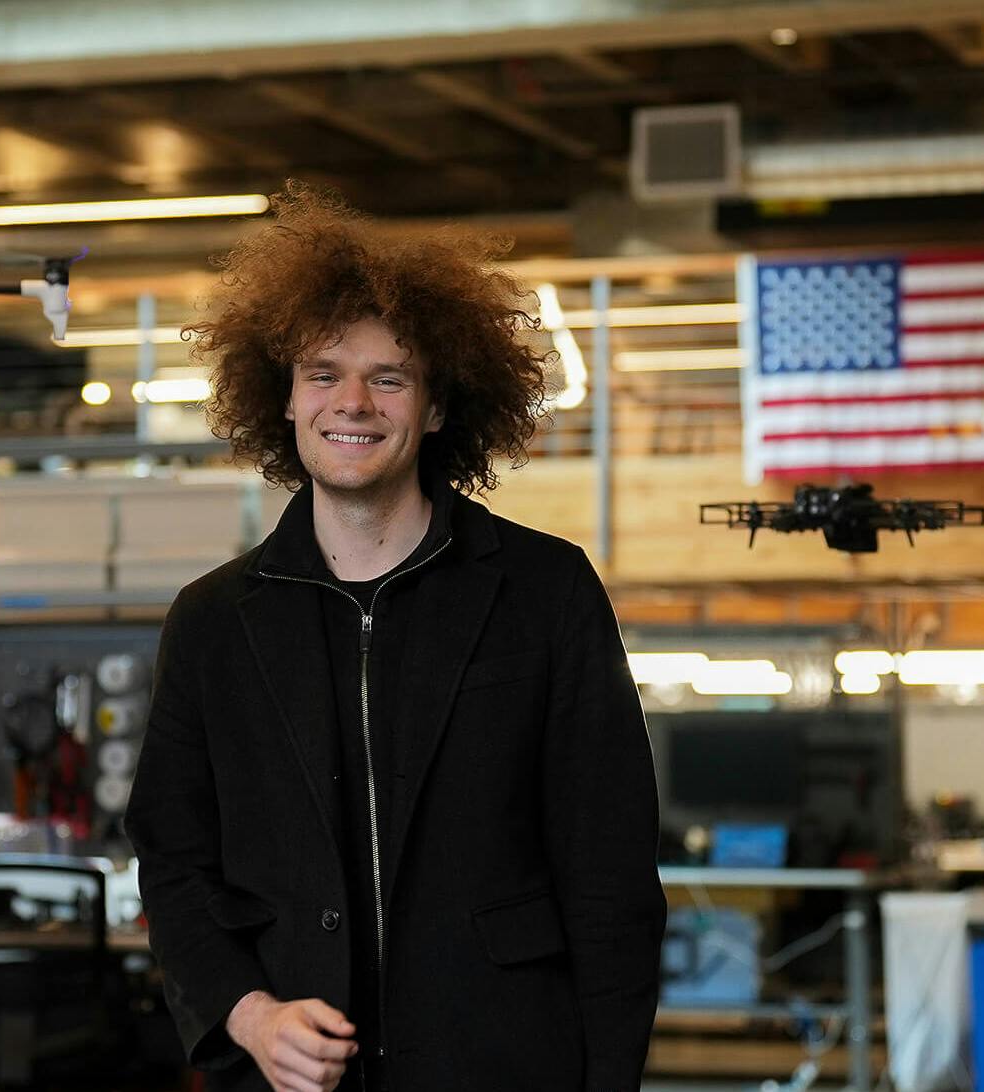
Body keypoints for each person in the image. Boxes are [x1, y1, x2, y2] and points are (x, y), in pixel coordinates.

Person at [124, 186, 665, 1092]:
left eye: (389, 377)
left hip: (504, 1067)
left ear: (437, 406)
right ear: (283, 399)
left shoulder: (546, 591)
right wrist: (250, 1017)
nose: (353, 403)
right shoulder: (212, 620)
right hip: (298, 1075)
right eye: (322, 373)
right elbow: (175, 863)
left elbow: (611, 872)